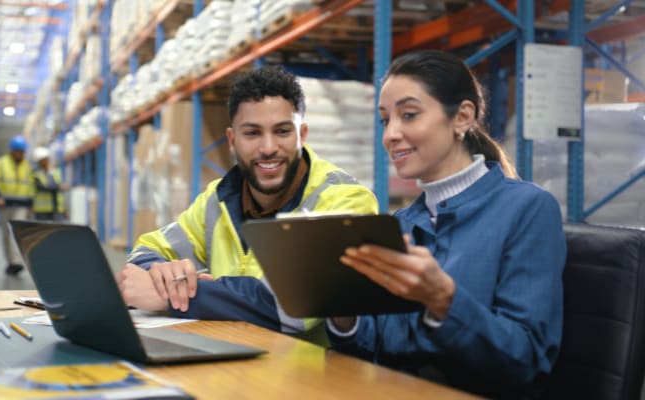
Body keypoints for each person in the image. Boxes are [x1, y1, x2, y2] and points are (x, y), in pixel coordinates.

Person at [326, 49, 566, 398]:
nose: (390, 134)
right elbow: (378, 346)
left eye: (409, 115)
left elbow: (525, 361)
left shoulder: (527, 209)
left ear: (462, 117)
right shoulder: (402, 223)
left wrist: (444, 300)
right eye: (385, 120)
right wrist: (343, 316)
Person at [116, 65, 378, 343]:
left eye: (282, 131)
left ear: (302, 134)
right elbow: (146, 251)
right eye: (252, 133)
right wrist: (162, 276)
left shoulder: (344, 200)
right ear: (232, 140)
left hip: (312, 366)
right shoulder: (218, 200)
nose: (268, 147)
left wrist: (177, 296)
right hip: (231, 357)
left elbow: (295, 306)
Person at [0, 135, 35, 275]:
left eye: (22, 152)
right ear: (12, 151)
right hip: (5, 205)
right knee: (6, 234)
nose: (21, 154)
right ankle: (11, 261)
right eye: (18, 151)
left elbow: (31, 186)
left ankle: (17, 261)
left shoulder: (27, 166)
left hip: (21, 205)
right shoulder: (0, 163)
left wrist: (31, 204)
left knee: (18, 233)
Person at [31, 147, 67, 221]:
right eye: (43, 160)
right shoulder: (35, 174)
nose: (45, 162)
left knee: (57, 227)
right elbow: (43, 187)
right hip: (41, 210)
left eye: (46, 159)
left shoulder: (55, 172)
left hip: (56, 209)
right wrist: (59, 187)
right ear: (39, 162)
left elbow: (56, 185)